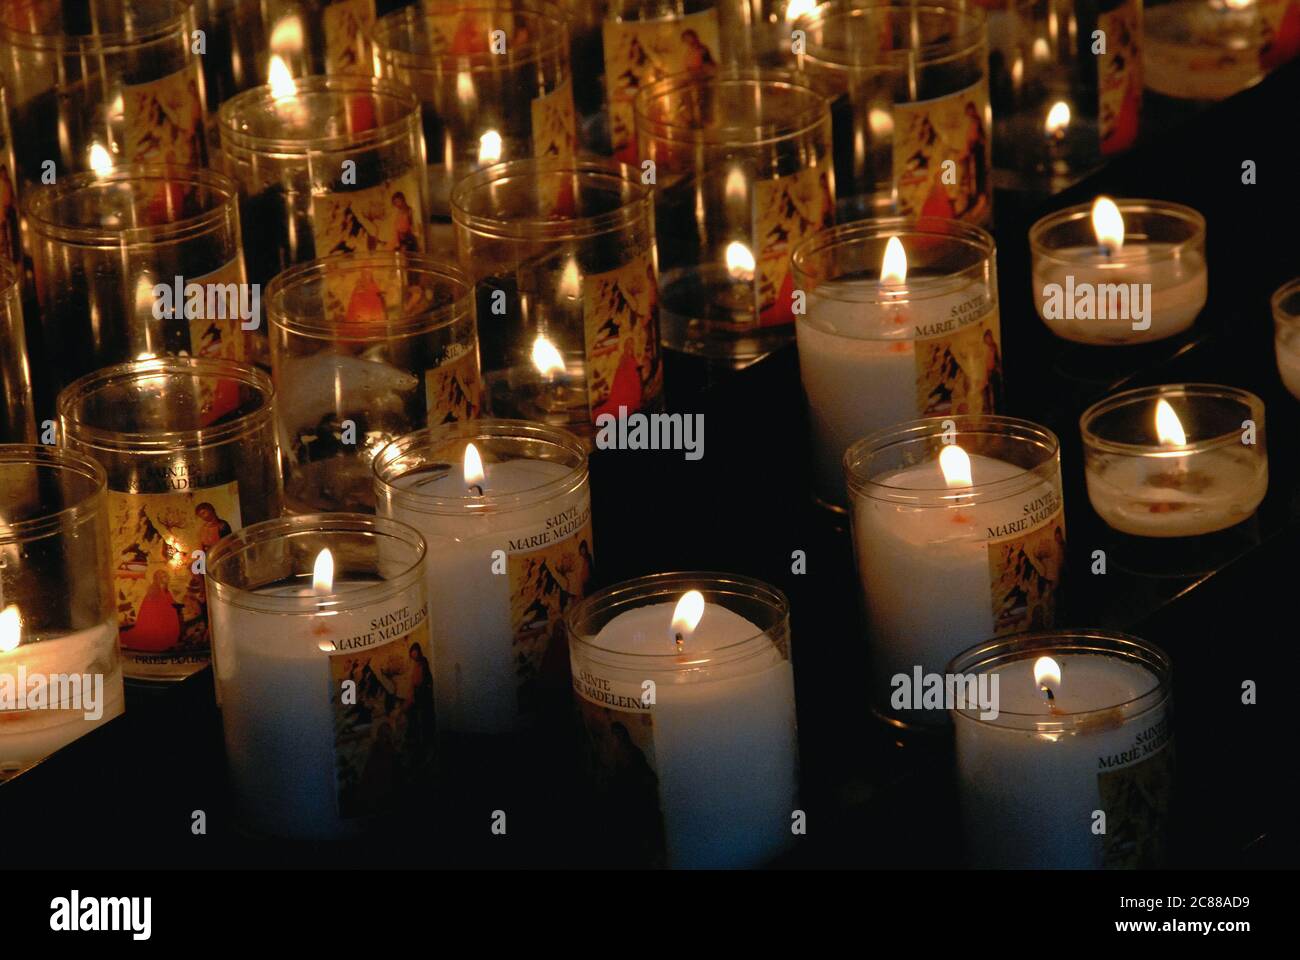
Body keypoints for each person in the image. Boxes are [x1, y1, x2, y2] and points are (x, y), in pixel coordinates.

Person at [121, 569, 182, 652]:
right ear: (158, 579)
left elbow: (170, 602)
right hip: (156, 621)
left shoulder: (167, 591)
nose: (167, 577)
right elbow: (150, 610)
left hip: (166, 618)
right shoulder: (153, 592)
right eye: (164, 576)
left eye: (166, 575)